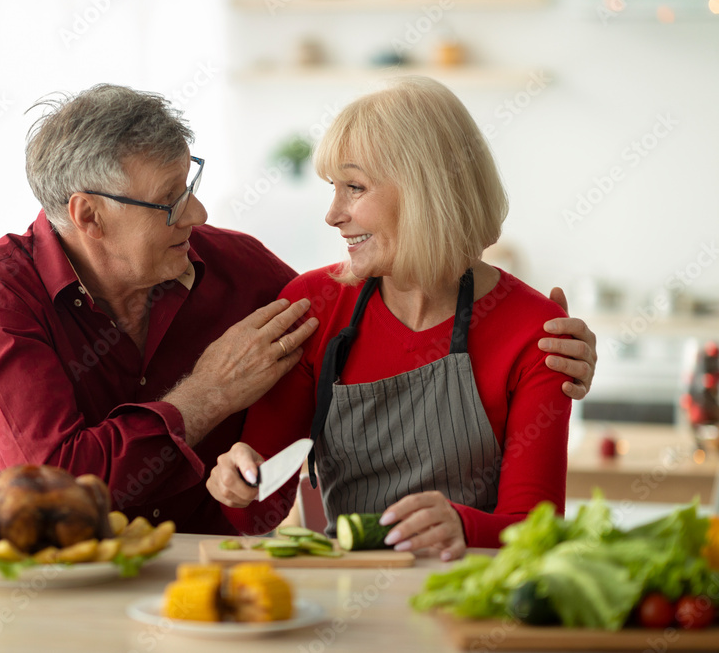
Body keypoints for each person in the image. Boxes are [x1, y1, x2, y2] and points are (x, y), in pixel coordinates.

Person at [0, 83, 597, 535]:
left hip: (204, 578)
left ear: (425, 191)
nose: (199, 216)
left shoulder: (258, 281)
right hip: (42, 569)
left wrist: (565, 355)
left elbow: (533, 526)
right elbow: (60, 483)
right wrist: (208, 409)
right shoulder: (1, 296)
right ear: (88, 216)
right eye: (171, 200)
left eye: (191, 187)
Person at [207, 76, 584, 558]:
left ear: (424, 191)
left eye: (354, 187)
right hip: (344, 598)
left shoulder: (537, 331)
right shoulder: (314, 305)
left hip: (469, 597)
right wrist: (239, 483)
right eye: (334, 189)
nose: (333, 214)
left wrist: (462, 529)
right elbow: (259, 514)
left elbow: (535, 531)